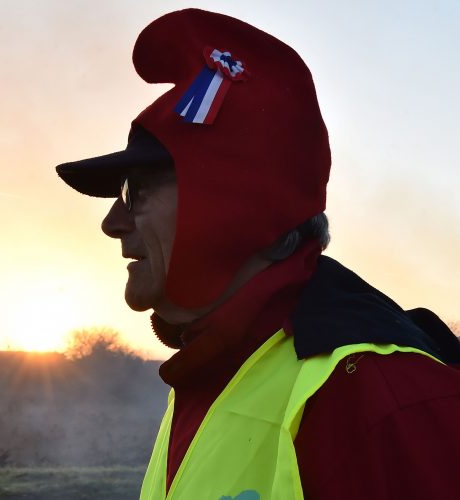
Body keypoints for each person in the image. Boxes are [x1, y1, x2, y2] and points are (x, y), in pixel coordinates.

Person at [56, 8, 460, 500]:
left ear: (234, 206)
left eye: (135, 192)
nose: (111, 223)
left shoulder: (383, 401)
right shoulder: (209, 373)